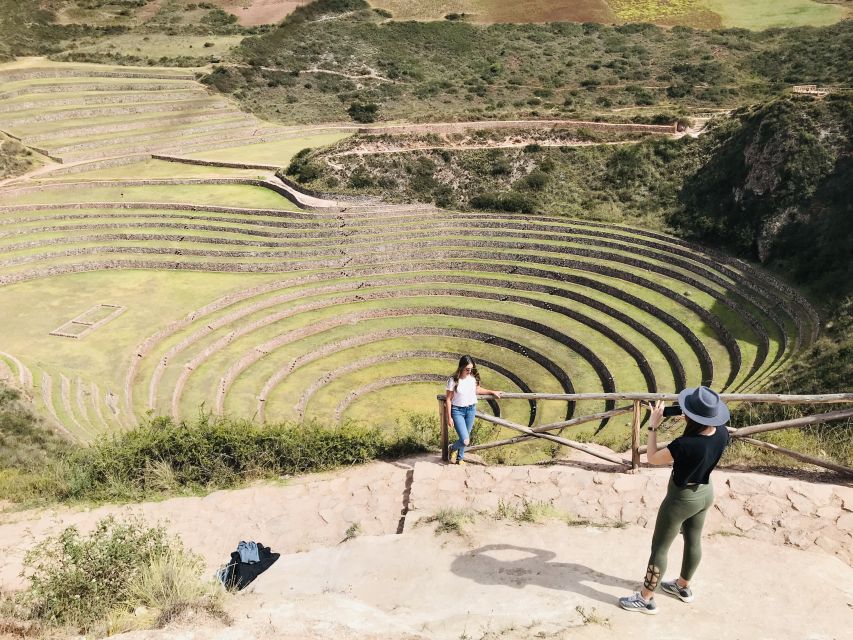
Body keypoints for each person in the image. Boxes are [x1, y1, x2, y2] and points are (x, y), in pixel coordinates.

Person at [619, 386, 731, 615]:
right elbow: (704, 440)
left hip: (680, 500)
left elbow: (651, 458)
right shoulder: (722, 432)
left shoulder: (685, 445)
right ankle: (683, 586)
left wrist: (652, 426)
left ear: (692, 417)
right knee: (693, 540)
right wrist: (693, 417)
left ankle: (646, 598)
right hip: (704, 493)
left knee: (659, 548)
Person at [445, 355, 501, 465]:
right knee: (465, 440)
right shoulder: (453, 380)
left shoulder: (473, 378)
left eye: (471, 369)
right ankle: (452, 448)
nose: (469, 371)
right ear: (461, 367)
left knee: (467, 435)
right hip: (457, 411)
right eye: (467, 369)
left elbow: (477, 390)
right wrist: (449, 417)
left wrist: (491, 391)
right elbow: (448, 399)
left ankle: (460, 459)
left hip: (471, 409)